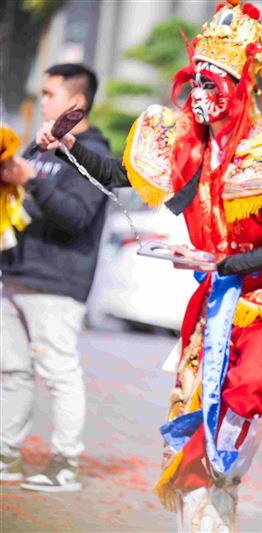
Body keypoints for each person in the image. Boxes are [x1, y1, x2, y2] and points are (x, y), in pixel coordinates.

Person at [35, 3, 262, 529]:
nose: (199, 94)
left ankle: (221, 477)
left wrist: (221, 260)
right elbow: (119, 172)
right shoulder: (186, 146)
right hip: (213, 301)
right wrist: (68, 145)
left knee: (244, 394)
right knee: (193, 419)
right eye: (195, 81)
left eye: (213, 84)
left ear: (239, 89)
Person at [0, 63, 110, 492]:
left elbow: (76, 217)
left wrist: (32, 182)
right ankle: (6, 453)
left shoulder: (94, 156)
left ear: (76, 103)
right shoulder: (39, 148)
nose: (43, 100)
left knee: (59, 373)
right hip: (16, 273)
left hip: (57, 282)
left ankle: (65, 463)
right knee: (12, 372)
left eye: (50, 94)